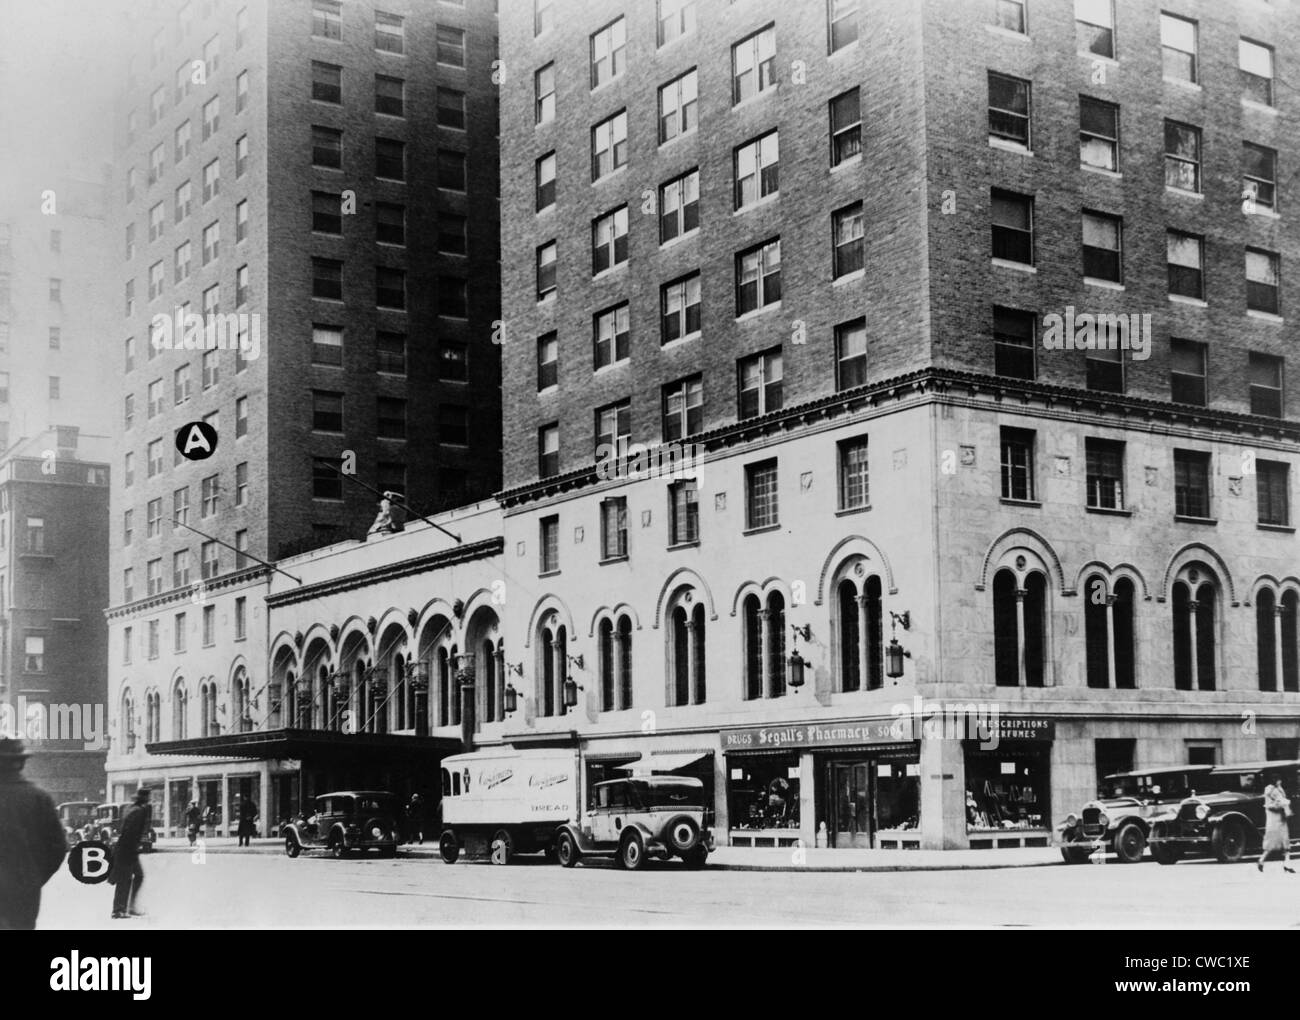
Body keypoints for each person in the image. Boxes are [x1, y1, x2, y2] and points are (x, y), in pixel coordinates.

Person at [0, 738, 67, 930]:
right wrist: (34, 877)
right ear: (20, 762)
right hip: (24, 893)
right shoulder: (39, 798)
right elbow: (57, 849)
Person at [110, 787, 152, 919]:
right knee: (125, 879)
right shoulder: (139, 811)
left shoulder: (133, 809)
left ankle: (130, 907)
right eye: (148, 797)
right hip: (127, 849)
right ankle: (118, 910)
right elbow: (129, 832)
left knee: (138, 876)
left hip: (128, 848)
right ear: (144, 798)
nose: (150, 799)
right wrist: (132, 849)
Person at [1258, 774, 1294, 874]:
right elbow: (1271, 805)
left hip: (1278, 820)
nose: (1280, 782)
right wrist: (1284, 804)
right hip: (1276, 820)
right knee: (1274, 843)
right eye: (1279, 780)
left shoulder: (1274, 789)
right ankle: (1262, 860)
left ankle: (1287, 864)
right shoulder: (1272, 791)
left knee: (1284, 843)